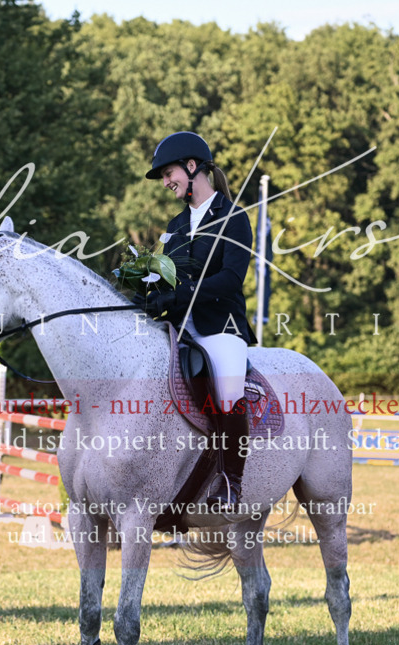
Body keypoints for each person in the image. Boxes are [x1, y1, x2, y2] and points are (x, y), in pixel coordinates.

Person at [142, 131, 256, 512]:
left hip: (220, 328)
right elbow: (167, 276)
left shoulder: (232, 217)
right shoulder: (175, 225)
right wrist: (149, 290)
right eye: (162, 176)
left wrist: (183, 291)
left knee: (226, 392)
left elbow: (229, 279)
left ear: (192, 167)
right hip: (177, 328)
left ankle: (230, 481)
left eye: (168, 172)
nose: (165, 181)